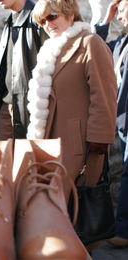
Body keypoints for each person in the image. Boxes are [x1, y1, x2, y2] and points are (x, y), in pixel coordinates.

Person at [29, 0, 117, 202]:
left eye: (52, 16)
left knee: (76, 212)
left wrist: (99, 142)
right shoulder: (49, 52)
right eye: (42, 21)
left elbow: (104, 95)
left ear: (70, 14)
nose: (47, 24)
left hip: (80, 147)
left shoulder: (90, 42)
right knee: (51, 211)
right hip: (49, 145)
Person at [0, 0, 48, 139]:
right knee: (6, 160)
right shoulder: (10, 21)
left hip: (31, 109)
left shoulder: (40, 19)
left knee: (30, 159)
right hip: (6, 107)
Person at [95, 0, 128, 248]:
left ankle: (124, 231)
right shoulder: (120, 44)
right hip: (121, 121)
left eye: (125, 9)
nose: (121, 15)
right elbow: (97, 48)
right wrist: (106, 19)